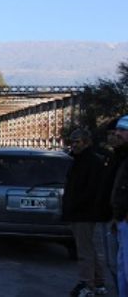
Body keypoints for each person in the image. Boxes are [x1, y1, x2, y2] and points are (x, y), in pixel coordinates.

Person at [63, 128, 108, 297]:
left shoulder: (91, 162)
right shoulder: (78, 160)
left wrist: (75, 205)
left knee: (84, 251)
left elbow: (91, 190)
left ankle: (86, 284)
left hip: (84, 212)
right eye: (72, 141)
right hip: (80, 211)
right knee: (89, 248)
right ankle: (99, 282)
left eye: (77, 141)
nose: (73, 145)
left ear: (87, 142)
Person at [109, 115, 128, 297]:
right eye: (117, 130)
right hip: (120, 219)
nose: (117, 133)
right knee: (121, 267)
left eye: (123, 130)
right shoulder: (121, 156)